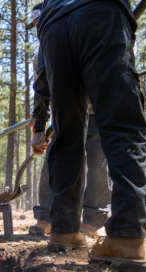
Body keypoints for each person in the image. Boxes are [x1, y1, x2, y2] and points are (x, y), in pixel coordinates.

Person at [31, 0, 146, 272]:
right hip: (100, 11)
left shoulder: (45, 22)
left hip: (55, 27)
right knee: (123, 125)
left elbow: (43, 81)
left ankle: (64, 231)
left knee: (67, 133)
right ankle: (126, 235)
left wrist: (39, 127)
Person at [27, 3, 111, 237]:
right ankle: (46, 217)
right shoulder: (40, 56)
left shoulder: (87, 34)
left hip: (96, 112)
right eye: (35, 25)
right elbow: (42, 91)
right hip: (65, 113)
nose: (38, 28)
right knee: (54, 163)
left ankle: (92, 221)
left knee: (97, 165)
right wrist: (39, 128)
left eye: (39, 23)